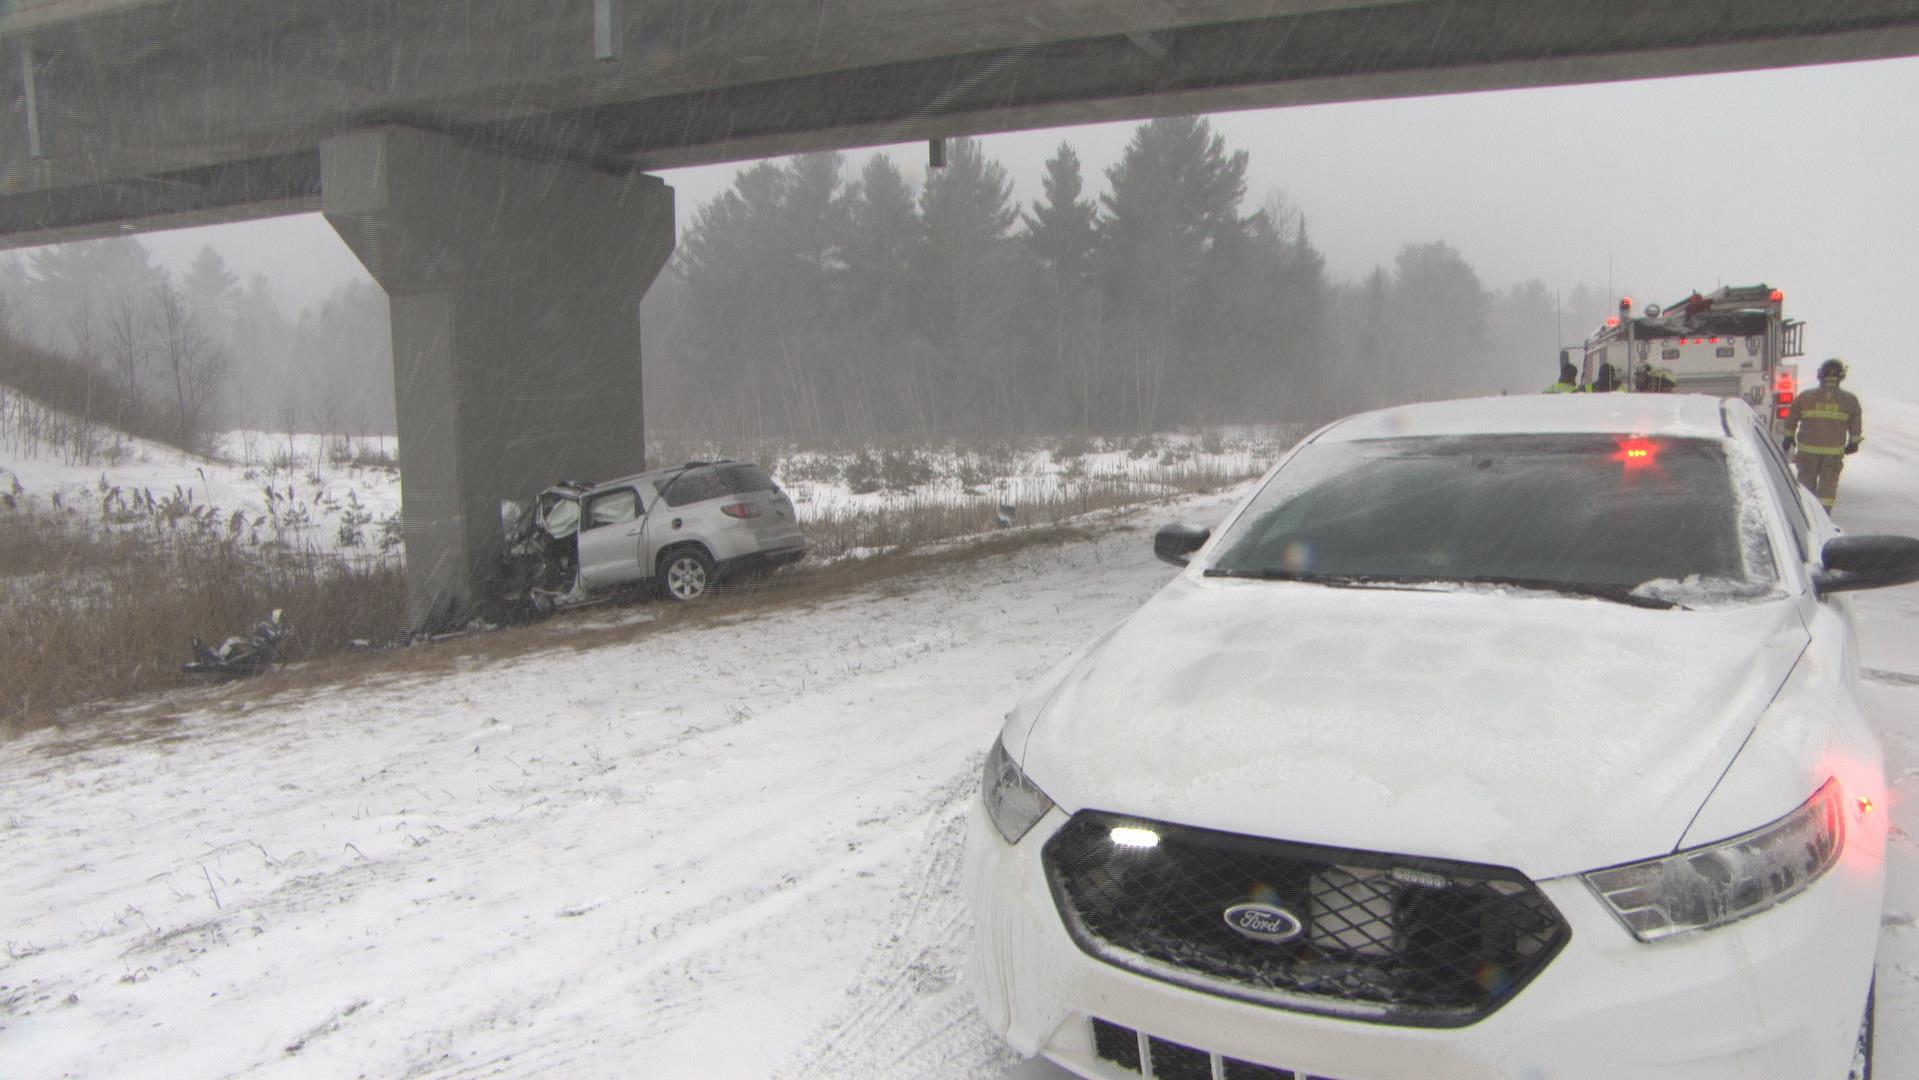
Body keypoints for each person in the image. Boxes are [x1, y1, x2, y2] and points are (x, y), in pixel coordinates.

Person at [1782, 358, 1864, 510]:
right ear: (1841, 376)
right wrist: (1854, 443)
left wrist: (1788, 437)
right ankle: (1824, 515)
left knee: (1805, 485)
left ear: (1820, 375)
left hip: (1807, 451)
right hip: (1833, 453)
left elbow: (1792, 417)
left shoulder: (1805, 397)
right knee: (1828, 485)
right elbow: (1855, 424)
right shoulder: (1850, 400)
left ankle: (1806, 513)